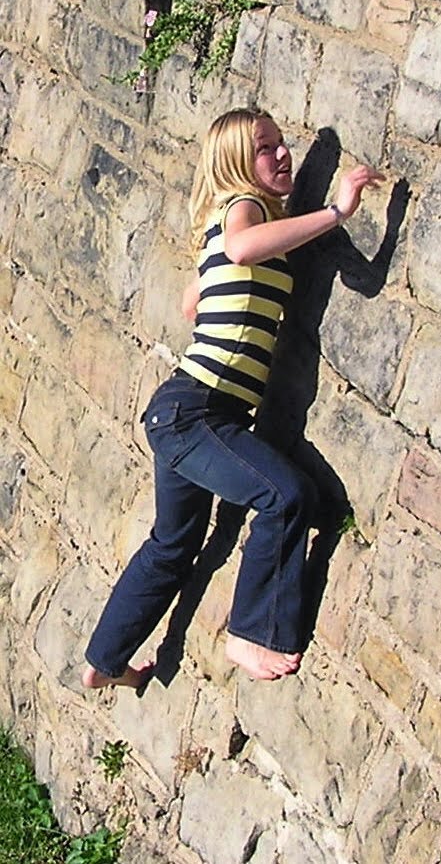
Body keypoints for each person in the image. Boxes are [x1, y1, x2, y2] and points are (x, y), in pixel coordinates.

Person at [82, 107, 384, 687]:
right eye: (264, 148)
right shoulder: (240, 210)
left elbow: (193, 301)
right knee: (286, 496)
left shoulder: (235, 226)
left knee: (172, 544)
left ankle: (105, 663)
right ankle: (253, 634)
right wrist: (337, 211)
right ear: (236, 167)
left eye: (279, 143)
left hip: (187, 410)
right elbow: (243, 250)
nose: (281, 154)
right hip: (197, 410)